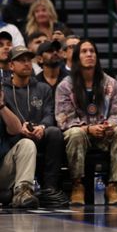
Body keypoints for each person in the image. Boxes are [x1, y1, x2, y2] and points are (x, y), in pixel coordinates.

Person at [55, 39, 117, 206]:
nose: (89, 54)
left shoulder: (110, 83)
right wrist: (88, 129)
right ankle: (78, 186)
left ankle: (113, 187)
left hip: (105, 134)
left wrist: (110, 125)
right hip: (81, 135)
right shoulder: (65, 85)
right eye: (84, 51)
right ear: (77, 57)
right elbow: (63, 118)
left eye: (92, 51)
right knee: (75, 133)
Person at [3, 46, 69, 207]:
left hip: (39, 134)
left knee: (54, 132)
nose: (27, 64)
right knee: (18, 138)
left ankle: (50, 188)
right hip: (15, 140)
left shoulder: (42, 88)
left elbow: (49, 113)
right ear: (11, 65)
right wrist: (21, 128)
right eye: (21, 60)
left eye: (29, 60)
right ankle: (20, 190)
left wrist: (42, 126)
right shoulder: (3, 90)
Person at [0, 67, 38, 208]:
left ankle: (22, 193)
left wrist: (1, 106)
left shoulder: (3, 104)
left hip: (2, 168)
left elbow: (16, 129)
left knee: (26, 144)